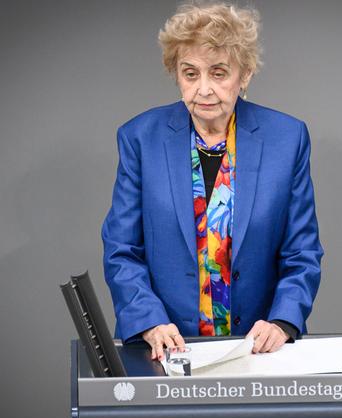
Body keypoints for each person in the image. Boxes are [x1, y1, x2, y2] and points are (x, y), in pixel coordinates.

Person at [102, 2, 322, 362]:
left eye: (218, 73)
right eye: (190, 74)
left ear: (245, 74)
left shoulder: (288, 139)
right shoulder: (140, 138)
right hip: (162, 349)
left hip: (257, 350)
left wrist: (282, 322)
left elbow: (302, 253)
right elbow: (121, 249)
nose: (203, 89)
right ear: (176, 73)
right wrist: (150, 322)